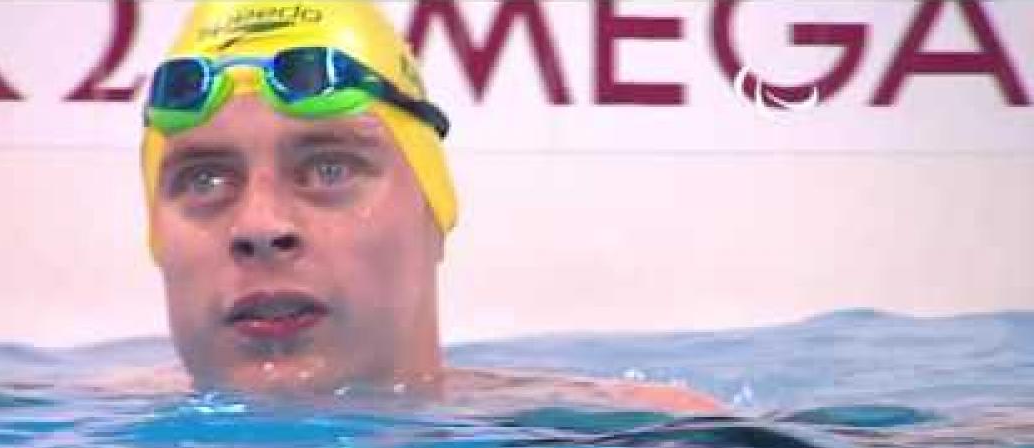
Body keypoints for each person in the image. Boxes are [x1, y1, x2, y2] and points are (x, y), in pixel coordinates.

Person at [124, 0, 723, 414]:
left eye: (330, 169)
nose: (259, 226)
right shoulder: (49, 434)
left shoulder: (656, 443)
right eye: (204, 180)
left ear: (435, 209)